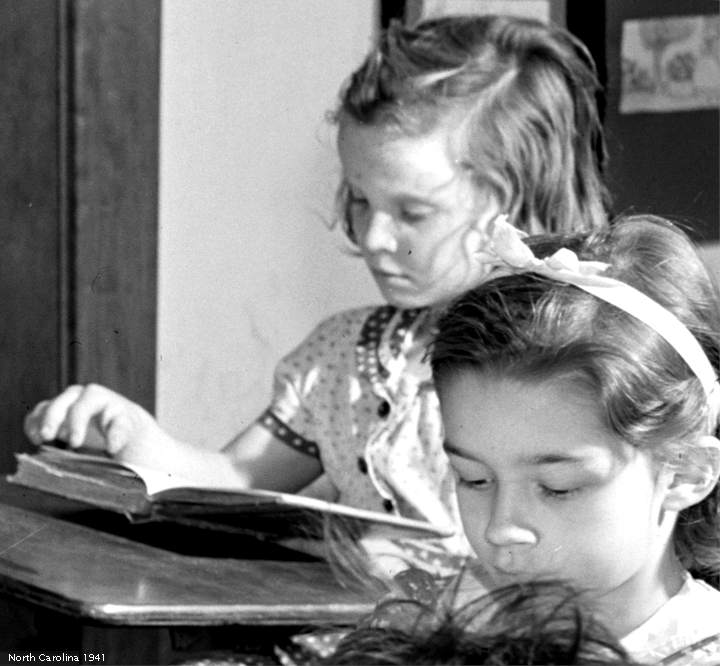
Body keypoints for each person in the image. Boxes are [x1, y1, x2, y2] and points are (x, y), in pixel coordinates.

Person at [23, 14, 610, 575]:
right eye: (360, 200)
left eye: (412, 213)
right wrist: (137, 438)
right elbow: (238, 478)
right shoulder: (341, 357)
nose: (375, 238)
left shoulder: (571, 367)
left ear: (517, 203)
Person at [428, 214, 720, 663]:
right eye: (474, 479)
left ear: (685, 471)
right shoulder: (447, 619)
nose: (500, 529)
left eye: (557, 487)